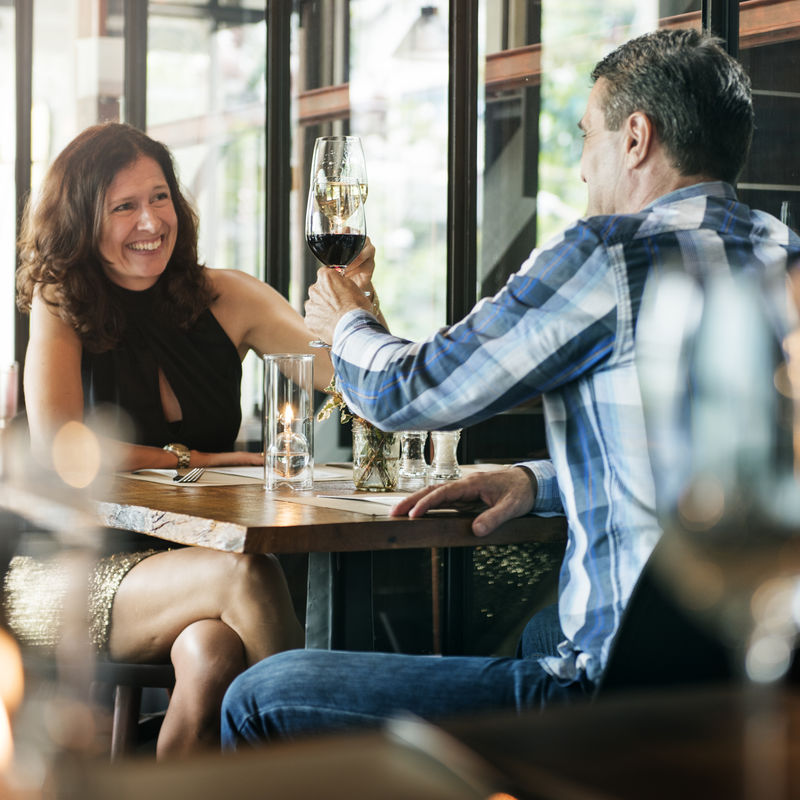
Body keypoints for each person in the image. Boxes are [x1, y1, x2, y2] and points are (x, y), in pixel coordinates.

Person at [221, 28, 800, 748]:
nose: (584, 169)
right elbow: (732, 468)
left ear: (636, 139)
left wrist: (350, 324)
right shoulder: (785, 258)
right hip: (760, 685)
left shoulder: (608, 253)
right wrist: (534, 481)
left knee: (258, 696)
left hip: (617, 696)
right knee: (532, 633)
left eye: (588, 135)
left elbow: (409, 392)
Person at [8, 122, 379, 758]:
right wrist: (203, 460)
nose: (151, 220)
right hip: (65, 571)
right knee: (248, 577)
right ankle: (327, 768)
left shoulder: (227, 295)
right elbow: (61, 443)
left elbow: (353, 377)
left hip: (187, 562)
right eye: (123, 206)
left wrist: (357, 309)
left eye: (160, 198)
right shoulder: (59, 299)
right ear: (80, 220)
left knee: (212, 659)